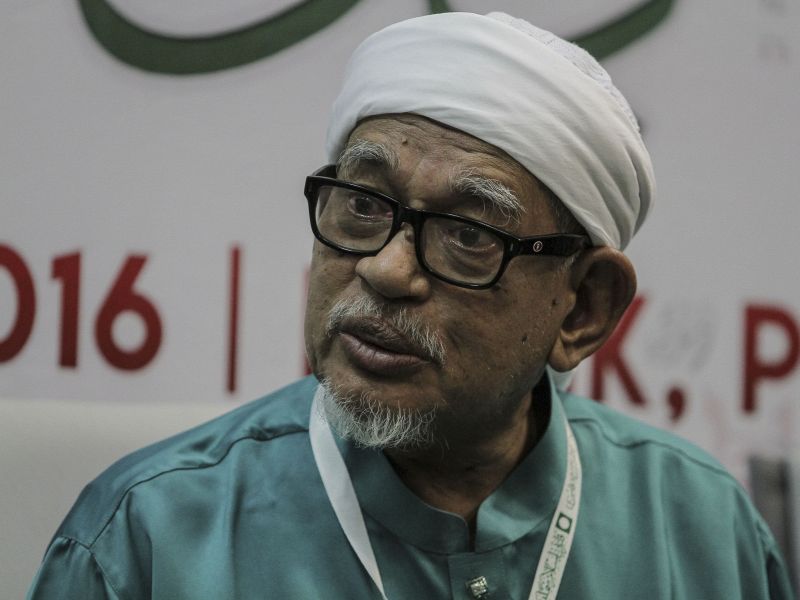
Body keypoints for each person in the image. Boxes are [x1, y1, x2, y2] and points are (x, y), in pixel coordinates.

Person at [28, 11, 794, 600]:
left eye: (468, 233)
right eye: (362, 205)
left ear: (582, 309)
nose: (387, 269)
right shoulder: (149, 538)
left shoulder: (702, 534)